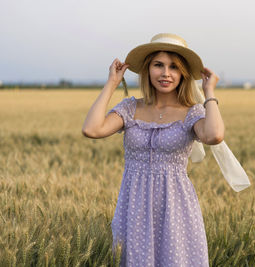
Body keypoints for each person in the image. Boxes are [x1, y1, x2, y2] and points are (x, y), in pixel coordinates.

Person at [82, 33, 224, 266]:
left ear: (183, 75)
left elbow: (215, 135)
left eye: (174, 67)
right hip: (133, 206)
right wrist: (112, 83)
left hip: (175, 209)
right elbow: (92, 129)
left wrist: (209, 93)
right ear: (148, 69)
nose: (166, 73)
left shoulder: (192, 112)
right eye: (158, 65)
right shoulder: (130, 108)